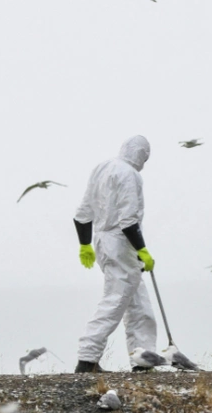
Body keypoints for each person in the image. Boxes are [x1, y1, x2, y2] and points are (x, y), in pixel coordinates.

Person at [72, 135, 158, 373]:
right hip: (121, 243)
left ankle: (144, 360)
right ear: (141, 154)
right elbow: (128, 221)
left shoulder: (102, 168)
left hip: (103, 241)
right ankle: (87, 359)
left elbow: (82, 213)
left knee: (139, 305)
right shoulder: (130, 175)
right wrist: (142, 249)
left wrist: (85, 244)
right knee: (115, 300)